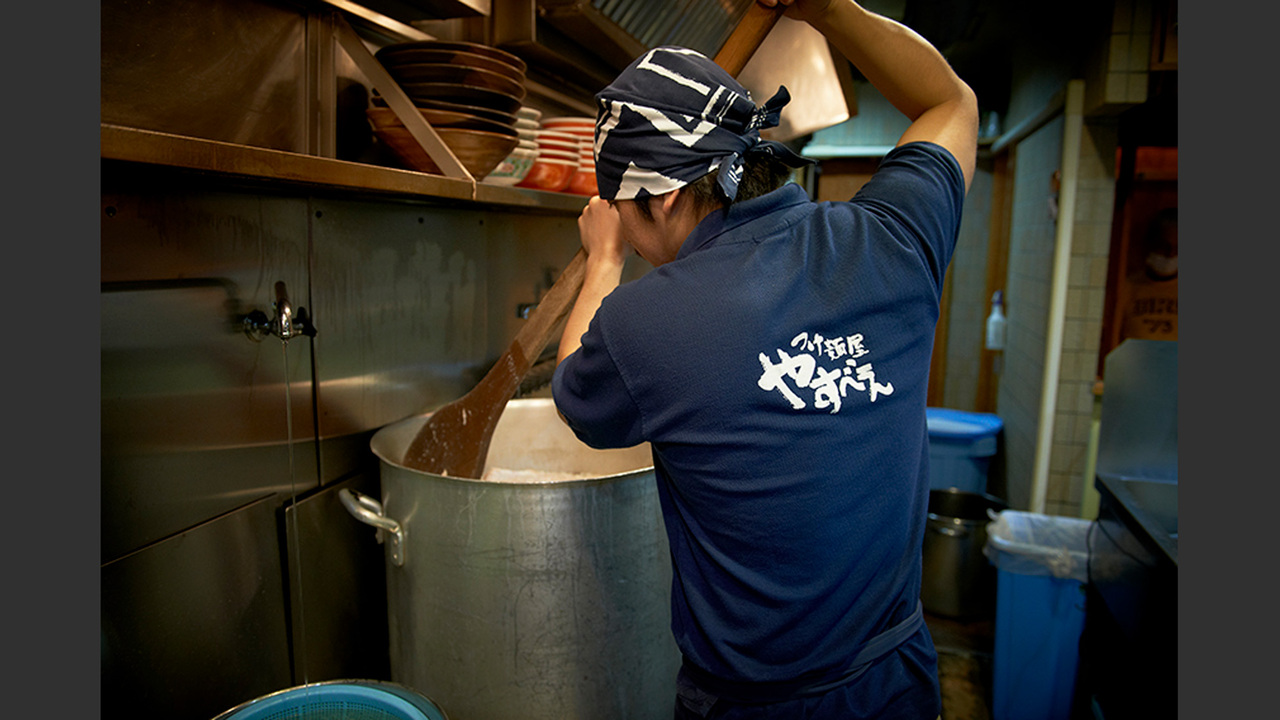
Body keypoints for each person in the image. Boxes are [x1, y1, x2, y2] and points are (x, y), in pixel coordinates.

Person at [551, 0, 978, 717]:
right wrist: (832, 10)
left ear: (660, 199)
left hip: (753, 705)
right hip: (897, 686)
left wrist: (601, 263)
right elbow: (949, 99)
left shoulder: (642, 323)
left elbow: (573, 395)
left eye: (619, 207)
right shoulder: (891, 238)